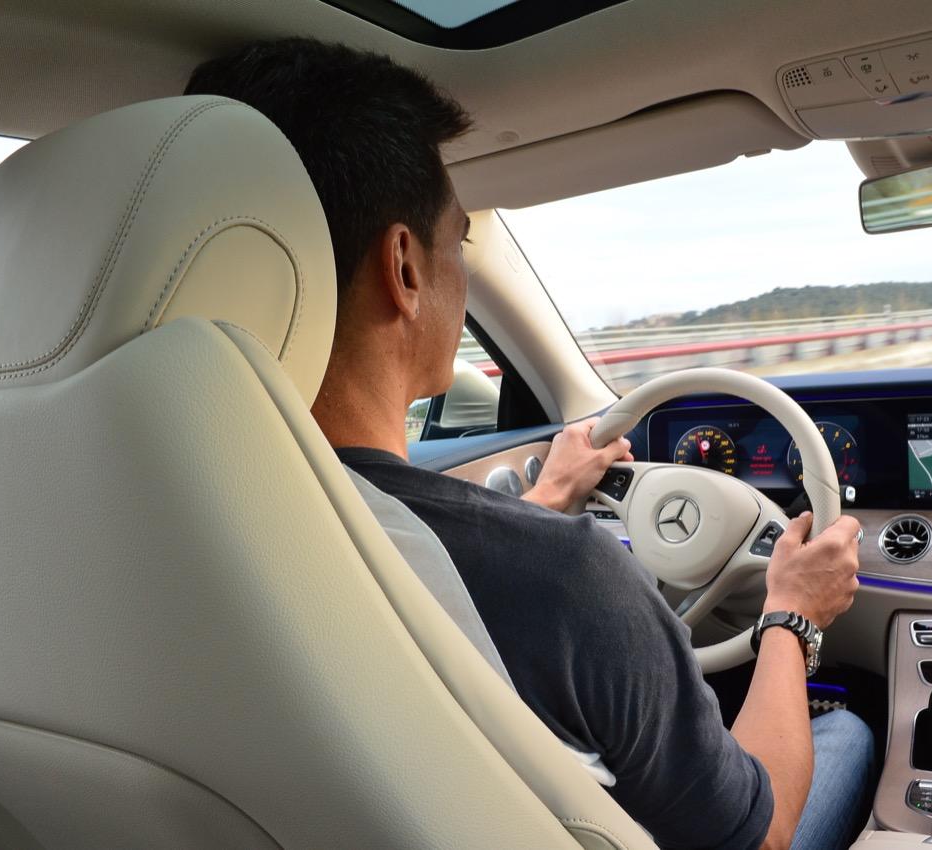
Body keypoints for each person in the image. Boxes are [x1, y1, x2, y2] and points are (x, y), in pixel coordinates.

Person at [186, 39, 872, 850]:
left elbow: (429, 577)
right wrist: (793, 614)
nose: (460, 267)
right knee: (848, 731)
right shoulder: (565, 577)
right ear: (404, 268)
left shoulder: (170, 527)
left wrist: (543, 501)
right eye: (459, 241)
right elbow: (759, 835)